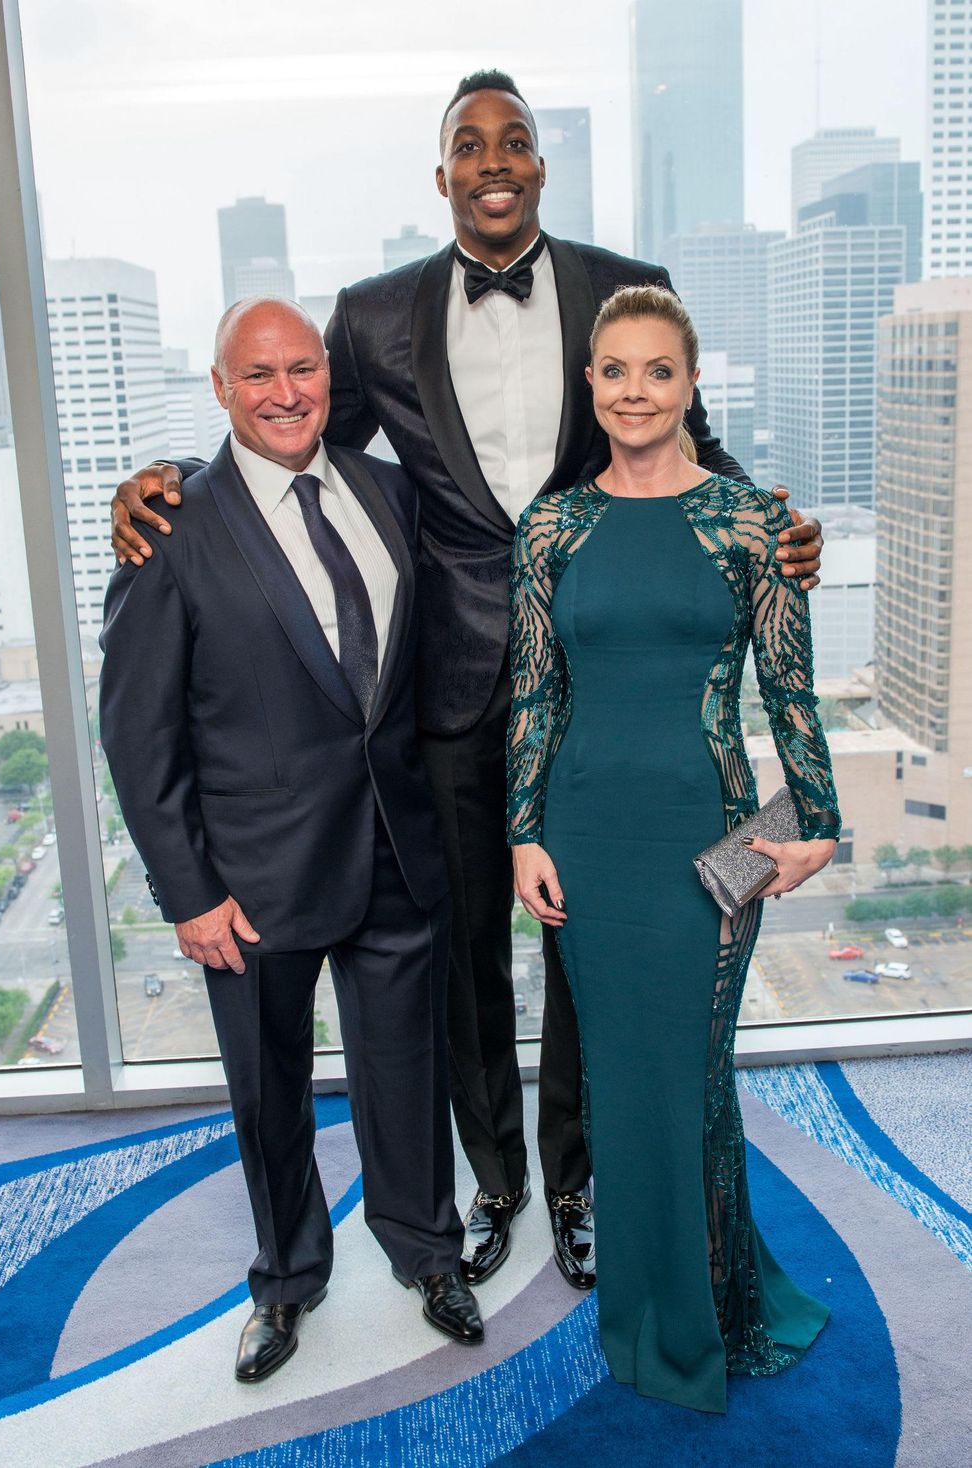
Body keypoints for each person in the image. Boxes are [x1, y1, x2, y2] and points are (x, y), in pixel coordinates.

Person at [108, 70, 825, 1291]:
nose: (493, 160)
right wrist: (161, 481)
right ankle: (492, 1179)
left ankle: (575, 1177)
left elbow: (681, 436)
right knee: (458, 957)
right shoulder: (372, 314)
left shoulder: (616, 284)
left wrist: (772, 526)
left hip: (588, 674)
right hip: (437, 692)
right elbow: (292, 438)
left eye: (515, 141)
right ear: (440, 173)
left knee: (581, 944)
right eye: (468, 144)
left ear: (538, 165)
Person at [99, 299, 483, 1386]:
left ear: (328, 375)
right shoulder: (171, 527)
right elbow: (137, 731)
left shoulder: (388, 491)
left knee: (406, 1072)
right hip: (252, 879)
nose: (285, 392)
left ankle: (427, 1251)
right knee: (268, 1093)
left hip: (396, 849)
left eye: (302, 368)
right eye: (258, 374)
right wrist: (188, 891)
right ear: (221, 389)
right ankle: (285, 1277)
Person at [507, 284, 840, 1414]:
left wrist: (817, 824)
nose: (635, 391)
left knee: (691, 1076)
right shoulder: (549, 528)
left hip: (717, 836)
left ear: (691, 383)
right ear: (589, 383)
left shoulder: (752, 523)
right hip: (585, 835)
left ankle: (713, 1312)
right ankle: (663, 1310)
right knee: (618, 1080)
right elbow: (534, 698)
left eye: (658, 370)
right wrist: (522, 834)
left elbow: (789, 692)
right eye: (614, 370)